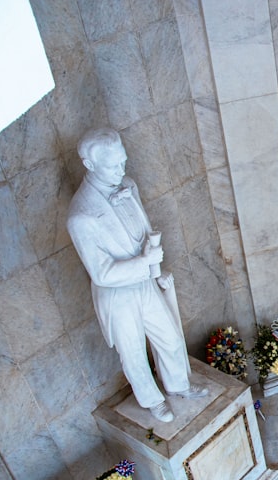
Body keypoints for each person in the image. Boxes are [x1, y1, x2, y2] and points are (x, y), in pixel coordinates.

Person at [67, 128, 208, 423]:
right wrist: (143, 263)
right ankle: (153, 401)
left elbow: (143, 232)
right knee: (133, 354)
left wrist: (155, 271)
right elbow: (101, 273)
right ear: (90, 165)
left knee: (169, 338)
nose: (121, 170)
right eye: (113, 165)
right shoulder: (81, 215)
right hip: (118, 295)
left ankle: (178, 385)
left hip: (145, 282)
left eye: (123, 161)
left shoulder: (127, 185)